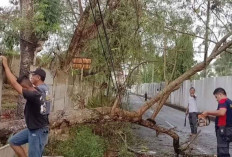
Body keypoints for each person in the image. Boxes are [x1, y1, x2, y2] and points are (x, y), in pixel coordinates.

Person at [0, 56, 49, 157]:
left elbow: (14, 83)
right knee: (13, 141)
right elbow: (17, 82)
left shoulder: (33, 95)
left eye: (33, 75)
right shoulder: (37, 89)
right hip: (33, 129)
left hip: (38, 130)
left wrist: (6, 66)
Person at [202, 88, 232, 157]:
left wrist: (207, 112)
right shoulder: (230, 102)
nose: (216, 99)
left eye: (216, 97)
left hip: (223, 130)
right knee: (224, 149)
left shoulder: (222, 101)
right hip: (229, 129)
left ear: (220, 94)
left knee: (223, 152)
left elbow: (222, 112)